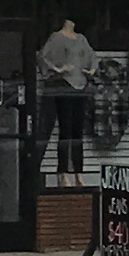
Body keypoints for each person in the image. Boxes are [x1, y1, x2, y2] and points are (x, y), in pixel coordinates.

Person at [35, 16, 97, 179]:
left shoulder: (81, 39)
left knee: (78, 132)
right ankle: (63, 172)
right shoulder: (56, 37)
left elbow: (92, 56)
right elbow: (42, 56)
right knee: (66, 129)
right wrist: (57, 69)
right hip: (63, 85)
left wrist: (91, 70)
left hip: (80, 87)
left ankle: (78, 172)